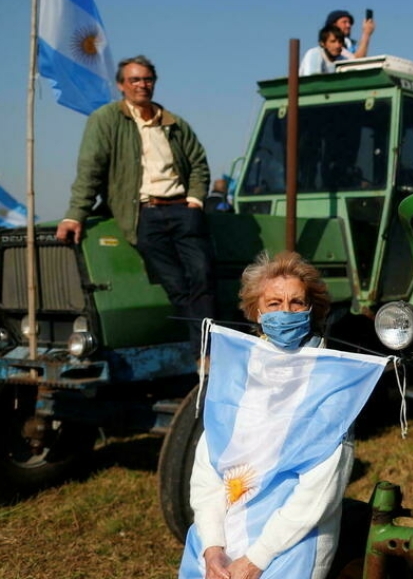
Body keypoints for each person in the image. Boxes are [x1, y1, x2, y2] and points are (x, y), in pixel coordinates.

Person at [181, 250, 384, 579]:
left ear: (311, 310)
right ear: (257, 312)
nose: (285, 312)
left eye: (296, 303)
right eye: (274, 303)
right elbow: (208, 473)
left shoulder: (329, 381)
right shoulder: (237, 377)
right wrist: (213, 548)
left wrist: (254, 560)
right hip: (222, 545)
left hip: (290, 546)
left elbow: (320, 491)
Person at [56, 55, 215, 342]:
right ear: (121, 85)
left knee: (202, 276)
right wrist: (75, 214)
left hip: (183, 210)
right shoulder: (105, 120)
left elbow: (198, 165)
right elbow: (90, 169)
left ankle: (206, 351)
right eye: (135, 80)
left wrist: (195, 201)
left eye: (147, 79)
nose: (142, 85)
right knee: (175, 284)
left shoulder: (175, 124)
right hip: (144, 214)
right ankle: (205, 348)